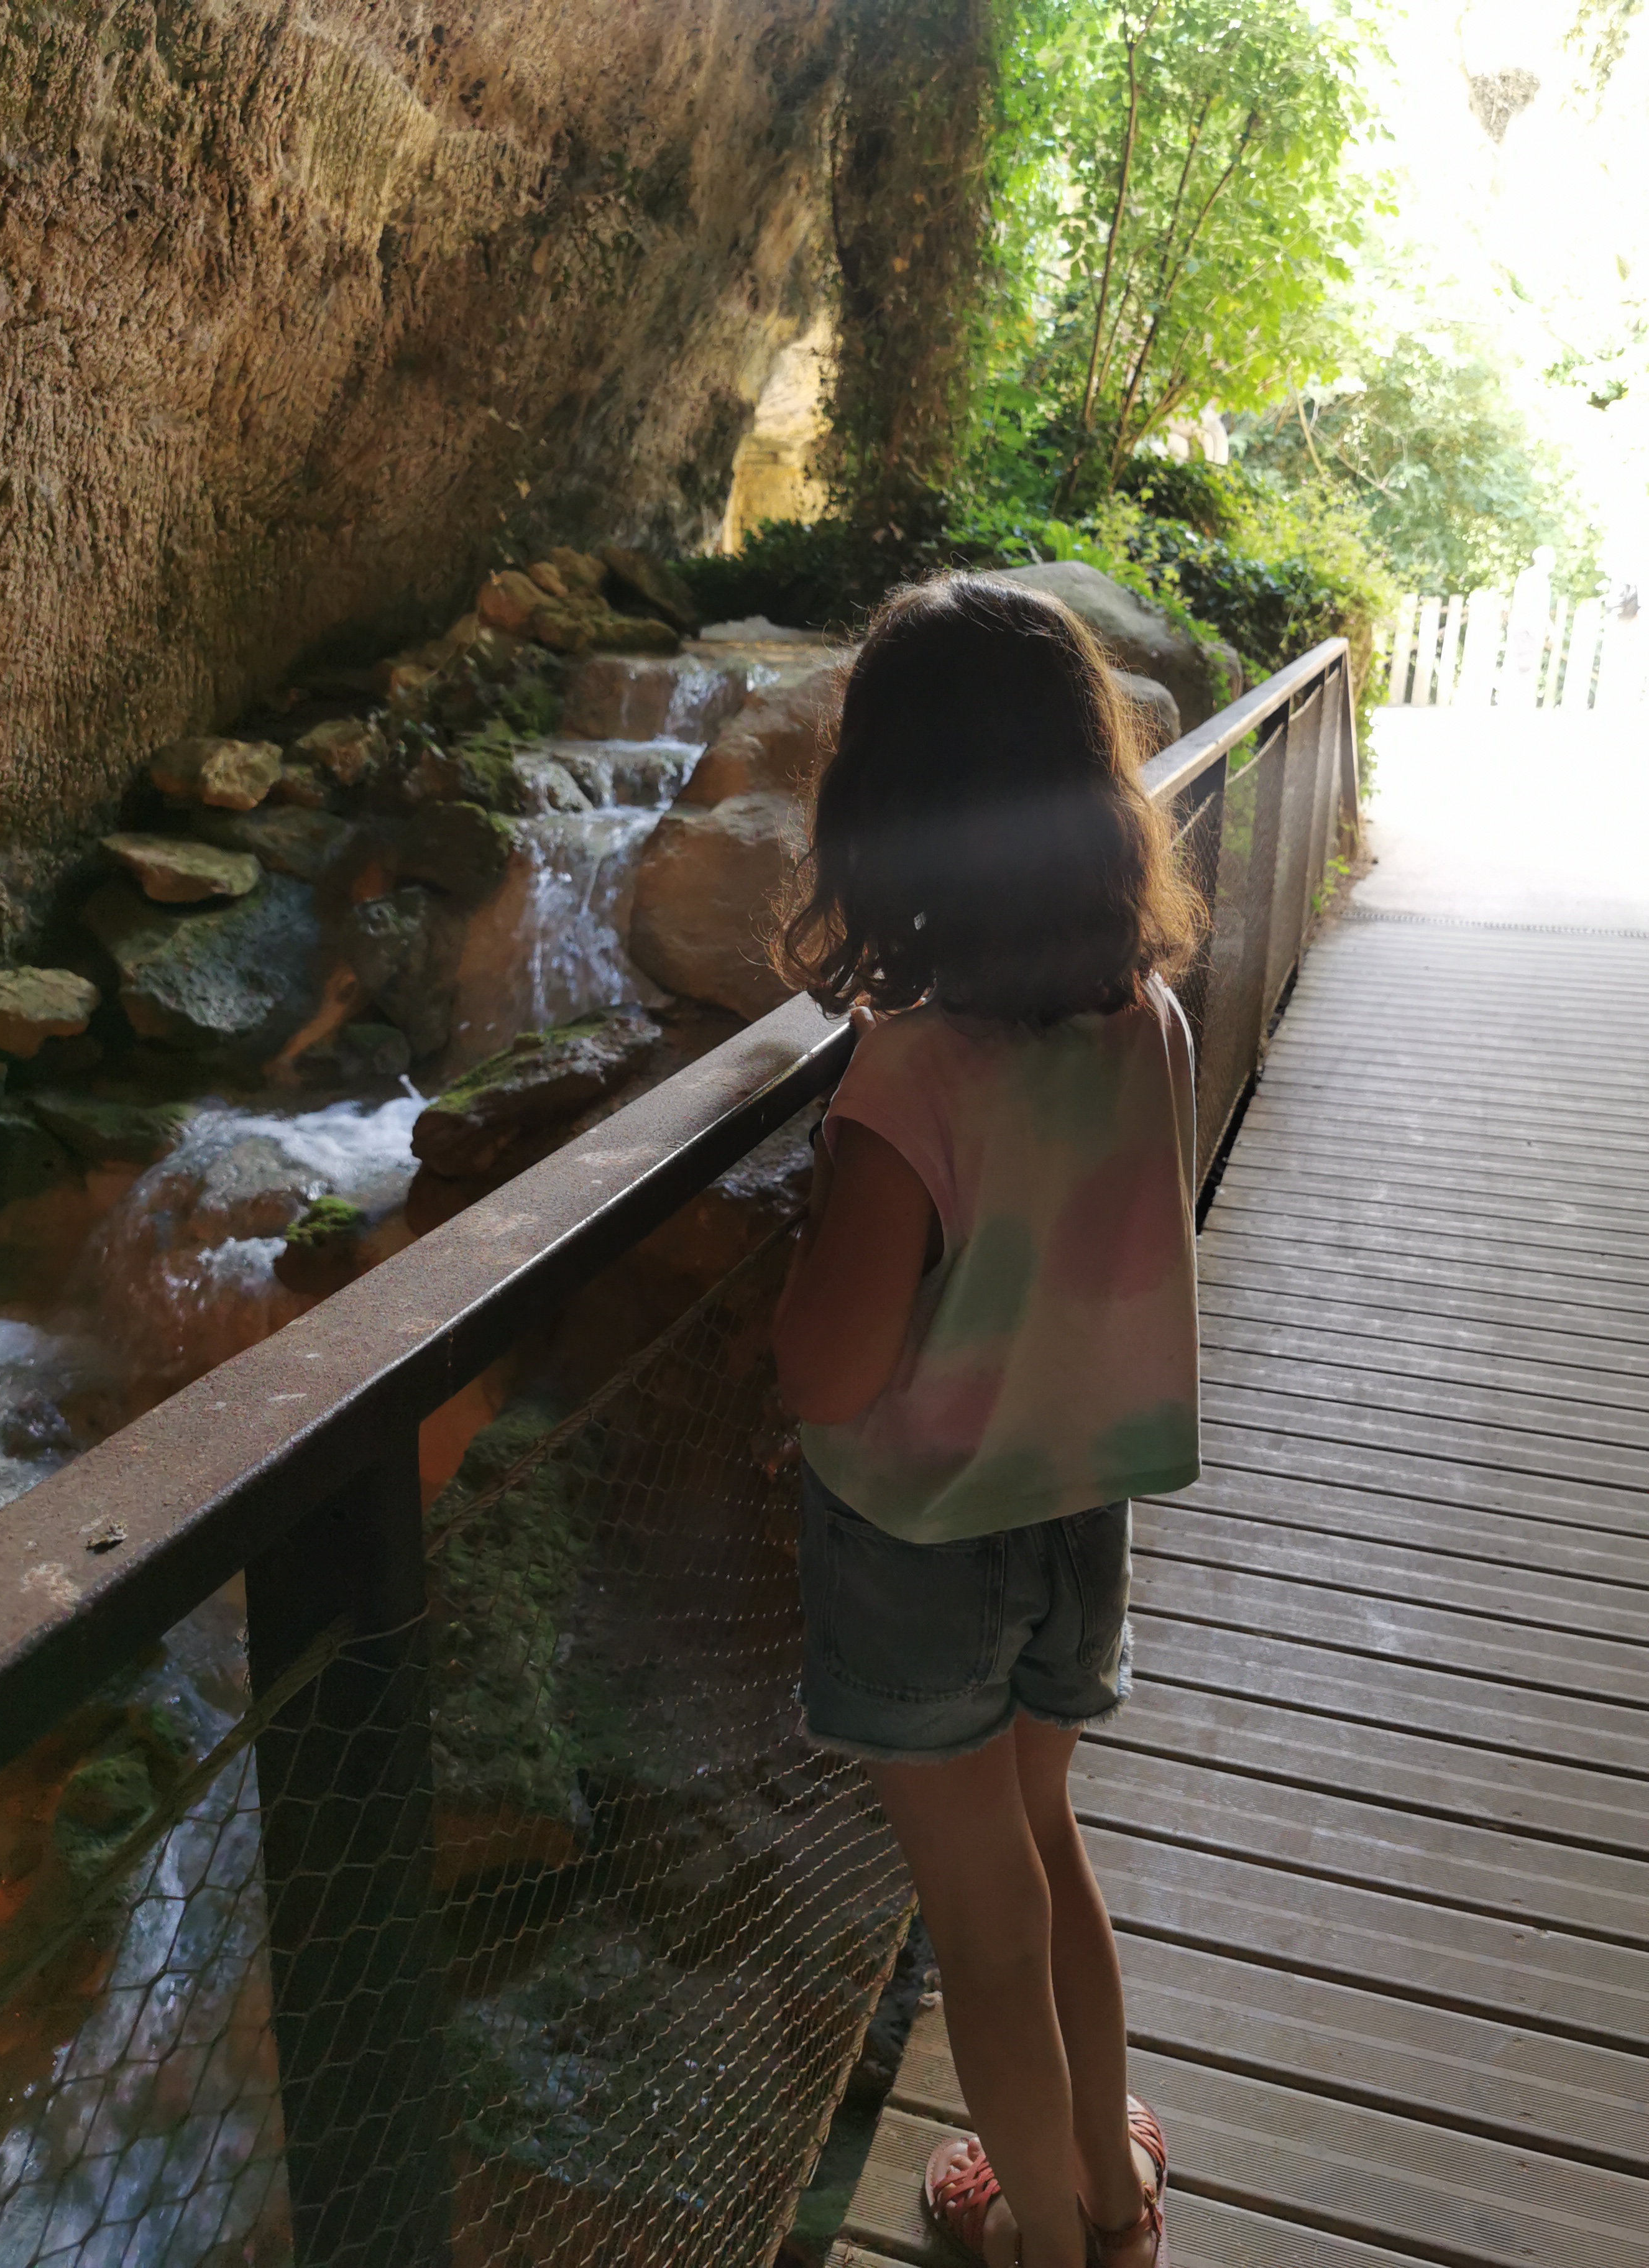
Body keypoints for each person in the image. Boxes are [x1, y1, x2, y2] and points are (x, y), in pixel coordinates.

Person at [772, 574, 1204, 2268]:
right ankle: (1110, 2187)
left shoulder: (906, 1081)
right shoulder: (1147, 1020)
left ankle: (1050, 2238)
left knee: (982, 1923)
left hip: (921, 1548)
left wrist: (799, 1249)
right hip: (1076, 1511)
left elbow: (830, 1374)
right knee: (1046, 1851)